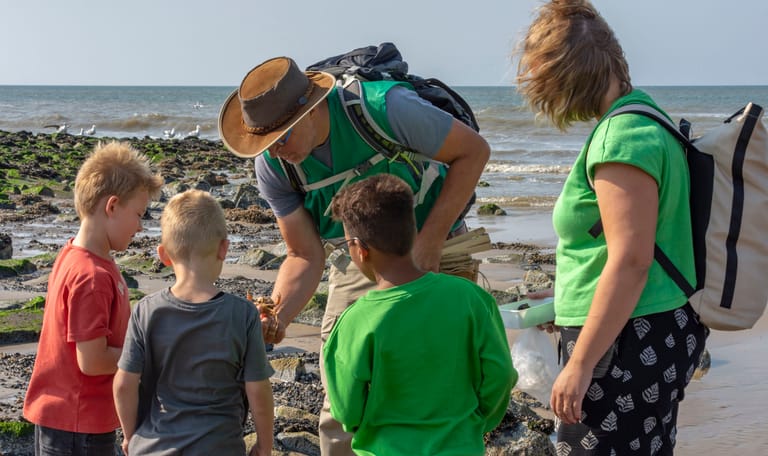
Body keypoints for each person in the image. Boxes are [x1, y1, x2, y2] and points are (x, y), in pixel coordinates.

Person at [218, 56, 490, 455]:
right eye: (267, 144)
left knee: (442, 379)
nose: (275, 153)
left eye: (282, 138)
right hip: (356, 255)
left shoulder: (386, 109)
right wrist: (276, 317)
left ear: (310, 110)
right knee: (340, 401)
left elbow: (474, 152)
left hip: (438, 241)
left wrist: (429, 240)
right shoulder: (275, 166)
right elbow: (304, 254)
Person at [514, 1, 709, 454]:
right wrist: (566, 298)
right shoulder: (648, 119)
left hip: (625, 343)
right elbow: (630, 248)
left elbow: (631, 261)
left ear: (569, 75)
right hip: (646, 330)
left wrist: (580, 364)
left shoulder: (622, 137)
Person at [322, 174, 516, 455]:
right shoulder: (472, 299)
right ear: (413, 232)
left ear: (360, 250)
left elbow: (345, 408)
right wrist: (477, 422)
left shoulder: (355, 321)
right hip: (460, 446)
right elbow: (500, 375)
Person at [23, 141, 164, 455]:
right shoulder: (92, 276)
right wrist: (146, 353)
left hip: (69, 418)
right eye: (138, 214)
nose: (141, 226)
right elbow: (92, 360)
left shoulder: (76, 254)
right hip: (77, 422)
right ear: (111, 206)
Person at [112, 189, 274, 455]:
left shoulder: (145, 310)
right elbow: (258, 389)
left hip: (154, 447)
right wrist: (264, 445)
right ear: (224, 248)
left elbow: (124, 384)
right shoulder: (243, 314)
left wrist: (131, 436)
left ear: (163, 255)